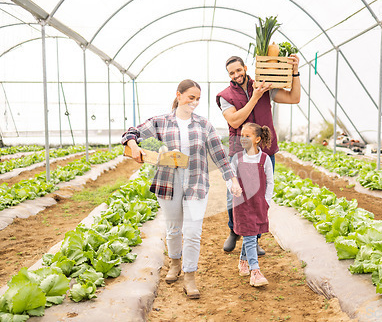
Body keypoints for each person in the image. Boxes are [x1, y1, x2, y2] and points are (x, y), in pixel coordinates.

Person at [122, 79, 242, 299]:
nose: (194, 102)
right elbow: (131, 133)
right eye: (190, 97)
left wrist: (231, 179)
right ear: (179, 95)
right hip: (169, 182)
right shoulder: (162, 122)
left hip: (196, 182)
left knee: (193, 232)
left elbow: (219, 155)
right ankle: (175, 264)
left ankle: (189, 277)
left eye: (197, 99)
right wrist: (134, 147)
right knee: (174, 229)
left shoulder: (203, 125)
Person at [216, 54, 301, 254]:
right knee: (234, 195)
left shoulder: (265, 86)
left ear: (245, 68)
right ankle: (233, 231)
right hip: (239, 152)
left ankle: (254, 239)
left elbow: (294, 97)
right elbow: (235, 121)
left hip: (264, 150)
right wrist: (255, 96)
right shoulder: (225, 96)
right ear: (228, 75)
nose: (236, 75)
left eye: (238, 70)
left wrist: (295, 72)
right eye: (232, 73)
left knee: (259, 196)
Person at [227, 122, 274, 287]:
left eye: (248, 136)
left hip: (259, 203)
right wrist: (233, 187)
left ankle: (242, 261)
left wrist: (266, 201)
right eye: (242, 136)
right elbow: (229, 178)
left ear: (257, 139)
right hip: (242, 204)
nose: (243, 139)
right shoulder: (237, 158)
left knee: (252, 233)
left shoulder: (264, 159)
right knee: (250, 235)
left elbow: (270, 183)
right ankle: (255, 271)